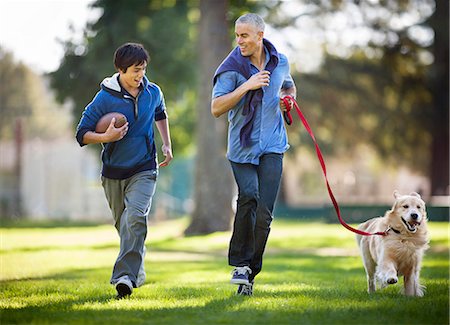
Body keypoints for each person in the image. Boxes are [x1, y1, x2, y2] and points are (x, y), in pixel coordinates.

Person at [75, 42, 173, 299]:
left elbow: (160, 114)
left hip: (144, 166)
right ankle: (135, 271)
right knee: (125, 227)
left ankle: (124, 277)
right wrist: (106, 136)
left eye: (142, 69)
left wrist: (167, 144)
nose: (140, 75)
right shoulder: (105, 98)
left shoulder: (153, 91)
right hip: (113, 172)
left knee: (136, 217)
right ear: (120, 69)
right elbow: (81, 134)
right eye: (134, 70)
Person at [211, 13, 296, 296]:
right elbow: (216, 107)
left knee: (265, 215)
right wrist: (246, 86)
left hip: (273, 145)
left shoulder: (280, 61)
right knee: (249, 196)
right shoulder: (231, 68)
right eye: (237, 35)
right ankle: (239, 264)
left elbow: (288, 85)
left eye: (245, 35)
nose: (239, 41)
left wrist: (288, 100)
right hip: (242, 148)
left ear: (260, 35)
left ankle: (250, 272)